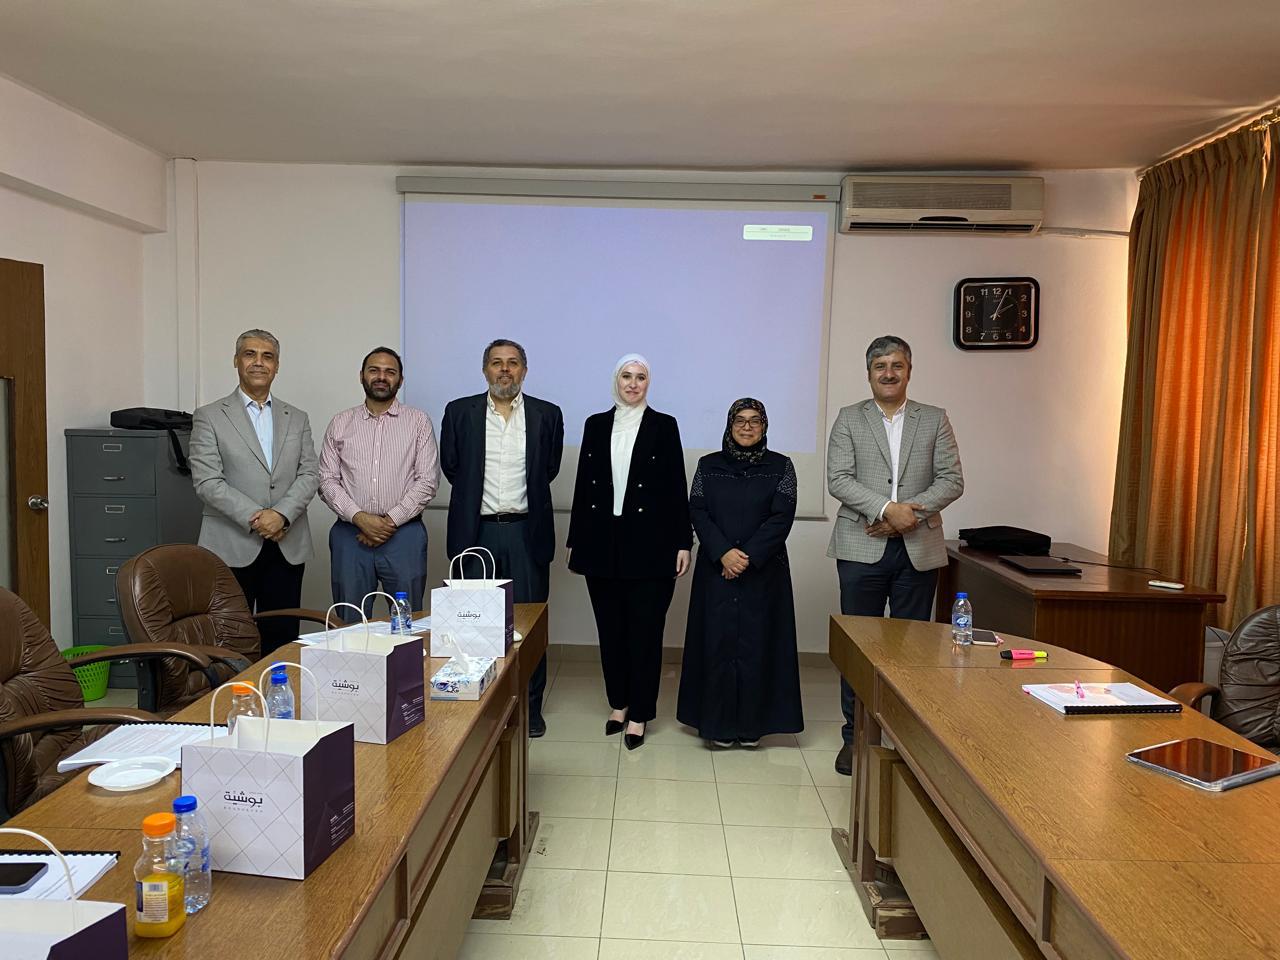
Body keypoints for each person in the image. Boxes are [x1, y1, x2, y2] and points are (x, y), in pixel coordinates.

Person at [827, 335, 963, 774]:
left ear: (909, 371)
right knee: (859, 648)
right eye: (880, 366)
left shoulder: (934, 418)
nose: (888, 373)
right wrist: (887, 509)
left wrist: (908, 517)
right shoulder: (849, 418)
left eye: (896, 365)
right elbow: (838, 478)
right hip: (860, 545)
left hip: (917, 550)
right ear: (869, 373)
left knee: (911, 652)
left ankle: (904, 739)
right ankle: (856, 739)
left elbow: (952, 479)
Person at [567, 354, 692, 750]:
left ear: (648, 383)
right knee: (611, 630)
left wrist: (683, 542)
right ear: (616, 380)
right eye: (626, 376)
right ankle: (618, 704)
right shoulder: (595, 424)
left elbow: (676, 486)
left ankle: (640, 712)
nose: (633, 383)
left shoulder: (664, 425)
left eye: (640, 377)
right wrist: (574, 541)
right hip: (601, 543)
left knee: (645, 633)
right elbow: (583, 485)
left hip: (651, 545)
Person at [440, 339, 564, 738]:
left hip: (527, 532)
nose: (504, 370)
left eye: (513, 363)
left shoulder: (547, 414)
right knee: (475, 625)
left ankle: (529, 708)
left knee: (528, 625)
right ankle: (482, 709)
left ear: (524, 371)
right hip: (477, 532)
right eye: (497, 363)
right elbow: (453, 467)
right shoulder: (459, 412)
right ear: (485, 370)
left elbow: (548, 469)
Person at [678, 398, 801, 747]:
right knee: (716, 645)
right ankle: (717, 726)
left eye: (755, 421)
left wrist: (745, 557)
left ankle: (752, 728)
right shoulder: (707, 465)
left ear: (764, 426)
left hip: (764, 572)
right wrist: (723, 553)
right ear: (729, 425)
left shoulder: (782, 466)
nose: (747, 427)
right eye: (740, 421)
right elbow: (697, 511)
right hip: (716, 569)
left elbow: (782, 516)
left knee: (758, 646)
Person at [189, 329, 319, 656]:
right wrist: (259, 518)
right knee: (231, 639)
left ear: (277, 366)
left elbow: (309, 473)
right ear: (236, 361)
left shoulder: (297, 417)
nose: (259, 362)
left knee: (282, 638)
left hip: (286, 543)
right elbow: (207, 480)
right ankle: (236, 691)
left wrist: (281, 515)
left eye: (267, 356)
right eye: (250, 354)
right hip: (231, 543)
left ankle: (279, 689)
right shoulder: (209, 416)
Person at [318, 346, 439, 620]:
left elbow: (428, 480)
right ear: (362, 375)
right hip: (350, 536)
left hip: (404, 536)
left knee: (407, 622)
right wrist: (360, 518)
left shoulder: (418, 422)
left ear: (400, 380)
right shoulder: (340, 423)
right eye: (374, 370)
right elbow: (326, 479)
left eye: (390, 372)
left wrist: (388, 521)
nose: (381, 377)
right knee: (350, 621)